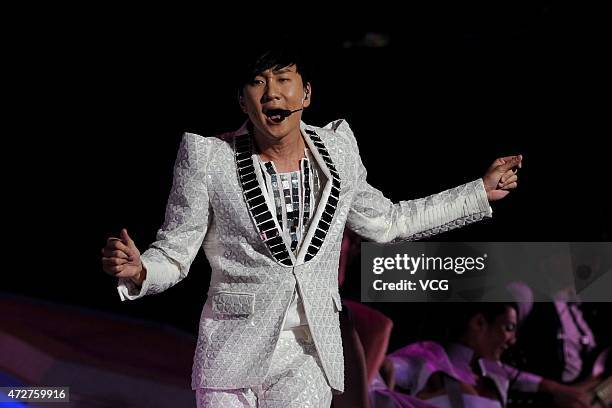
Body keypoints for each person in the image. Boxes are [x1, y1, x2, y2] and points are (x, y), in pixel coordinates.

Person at [101, 44, 523, 407]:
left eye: (283, 79)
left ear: (305, 93)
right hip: (231, 351)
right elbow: (176, 251)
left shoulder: (338, 152)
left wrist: (477, 193)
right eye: (258, 82)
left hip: (309, 353)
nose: (271, 93)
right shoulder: (209, 158)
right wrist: (141, 271)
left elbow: (390, 222)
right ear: (243, 100)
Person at [382, 303, 591, 408]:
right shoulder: (426, 356)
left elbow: (519, 377)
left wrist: (554, 387)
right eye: (508, 328)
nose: (512, 340)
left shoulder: (493, 373)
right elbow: (382, 370)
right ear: (479, 323)